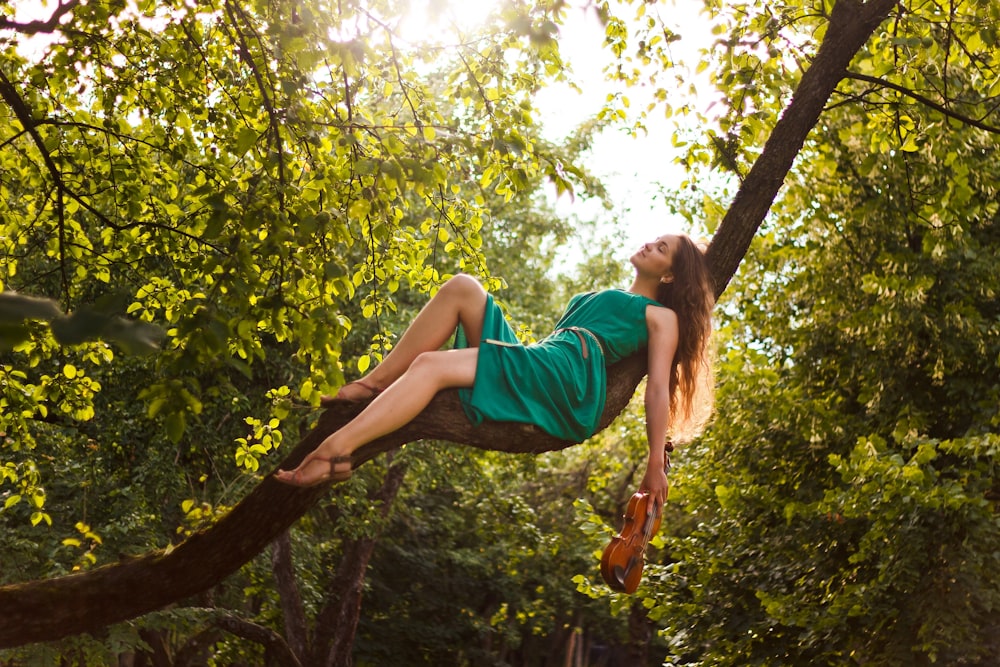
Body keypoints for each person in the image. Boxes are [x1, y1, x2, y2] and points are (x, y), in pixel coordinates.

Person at [275, 234, 715, 504]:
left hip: (566, 376)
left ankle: (335, 451)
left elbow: (658, 388)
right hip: (545, 356)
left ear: (671, 277)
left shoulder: (662, 317)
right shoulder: (608, 296)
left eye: (661, 249)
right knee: (463, 287)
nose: (648, 245)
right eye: (653, 240)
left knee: (431, 366)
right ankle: (372, 384)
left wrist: (655, 460)